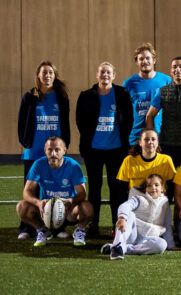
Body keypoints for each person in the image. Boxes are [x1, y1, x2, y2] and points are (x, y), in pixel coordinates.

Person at [76, 61, 133, 236]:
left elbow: (129, 119)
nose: (105, 75)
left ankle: (118, 225)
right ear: (97, 75)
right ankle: (94, 224)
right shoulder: (86, 95)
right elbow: (80, 121)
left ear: (114, 75)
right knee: (95, 188)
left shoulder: (122, 94)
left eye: (108, 72)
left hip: (117, 149)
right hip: (94, 150)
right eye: (102, 72)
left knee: (117, 188)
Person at [17, 61, 71, 239]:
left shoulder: (61, 97)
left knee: (54, 190)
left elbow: (65, 124)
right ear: (38, 76)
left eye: (50, 73)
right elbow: (21, 122)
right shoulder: (29, 97)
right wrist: (26, 142)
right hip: (34, 151)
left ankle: (56, 227)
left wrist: (65, 145)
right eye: (44, 73)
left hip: (55, 154)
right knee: (31, 191)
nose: (47, 76)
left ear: (55, 76)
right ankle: (27, 227)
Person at [18, 137, 93, 247]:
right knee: (21, 206)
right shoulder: (38, 164)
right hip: (46, 210)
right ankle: (41, 230)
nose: (53, 153)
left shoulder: (73, 165)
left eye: (57, 150)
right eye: (49, 149)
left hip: (68, 210)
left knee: (87, 207)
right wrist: (38, 203)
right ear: (45, 150)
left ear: (64, 150)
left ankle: (80, 231)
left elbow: (82, 193)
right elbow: (27, 192)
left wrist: (70, 201)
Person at [106, 174, 170, 259]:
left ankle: (122, 248)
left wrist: (171, 244)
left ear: (162, 188)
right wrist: (122, 217)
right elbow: (125, 206)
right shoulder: (140, 199)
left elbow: (167, 224)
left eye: (156, 185)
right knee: (130, 214)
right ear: (145, 189)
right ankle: (117, 247)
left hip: (147, 240)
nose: (153, 188)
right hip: (131, 235)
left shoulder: (165, 203)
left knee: (162, 244)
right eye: (149, 186)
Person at [124, 43, 172, 146]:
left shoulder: (166, 80)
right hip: (136, 138)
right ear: (137, 62)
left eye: (148, 58)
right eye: (141, 59)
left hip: (161, 137)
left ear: (154, 60)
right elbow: (123, 114)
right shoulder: (128, 84)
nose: (145, 61)